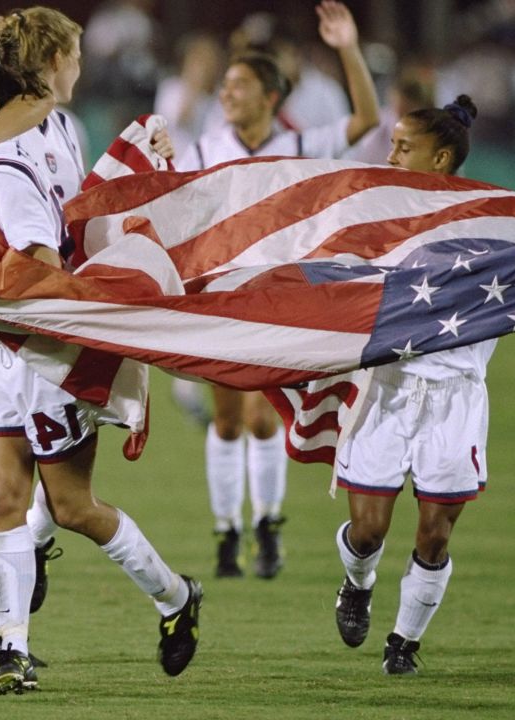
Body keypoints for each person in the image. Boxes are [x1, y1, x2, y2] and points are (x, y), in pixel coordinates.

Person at [0, 27, 201, 696]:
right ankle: (4, 646)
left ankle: (176, 596)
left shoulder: (1, 172)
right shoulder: (31, 128)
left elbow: (39, 265)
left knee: (70, 507)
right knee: (6, 497)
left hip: (43, 352)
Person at [175, 0, 378, 579]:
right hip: (219, 296)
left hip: (277, 300)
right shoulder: (204, 150)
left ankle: (266, 523)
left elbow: (365, 118)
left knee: (265, 420)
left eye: (239, 85)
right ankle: (226, 532)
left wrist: (347, 47)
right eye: (225, 85)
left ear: (270, 97)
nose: (227, 94)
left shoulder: (297, 148)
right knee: (227, 418)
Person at [333, 95, 490, 676]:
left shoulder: (492, 220)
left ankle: (404, 643)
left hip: (455, 394)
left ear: (441, 157)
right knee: (369, 529)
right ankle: (357, 582)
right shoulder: (377, 217)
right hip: (390, 386)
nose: (391, 156)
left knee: (433, 535)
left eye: (404, 147)